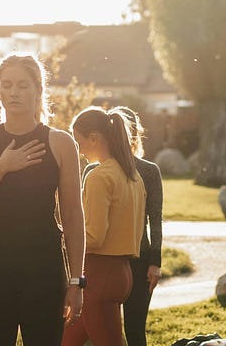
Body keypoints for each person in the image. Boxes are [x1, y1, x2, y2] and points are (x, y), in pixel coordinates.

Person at [0, 53, 84, 346]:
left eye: (22, 85)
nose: (13, 92)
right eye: (6, 85)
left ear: (38, 90)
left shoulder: (60, 142)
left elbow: (72, 216)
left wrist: (77, 282)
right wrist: (3, 166)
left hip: (43, 269)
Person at [62, 107, 147, 346]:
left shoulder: (99, 176)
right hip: (121, 272)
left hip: (98, 275)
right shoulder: (133, 176)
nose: (78, 151)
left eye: (78, 142)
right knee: (65, 340)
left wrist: (60, 238)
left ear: (94, 138)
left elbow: (94, 236)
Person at [110, 106, 164, 346]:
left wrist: (155, 263)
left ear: (134, 134)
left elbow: (155, 218)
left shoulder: (149, 171)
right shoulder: (94, 170)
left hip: (140, 261)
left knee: (134, 330)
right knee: (101, 331)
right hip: (105, 261)